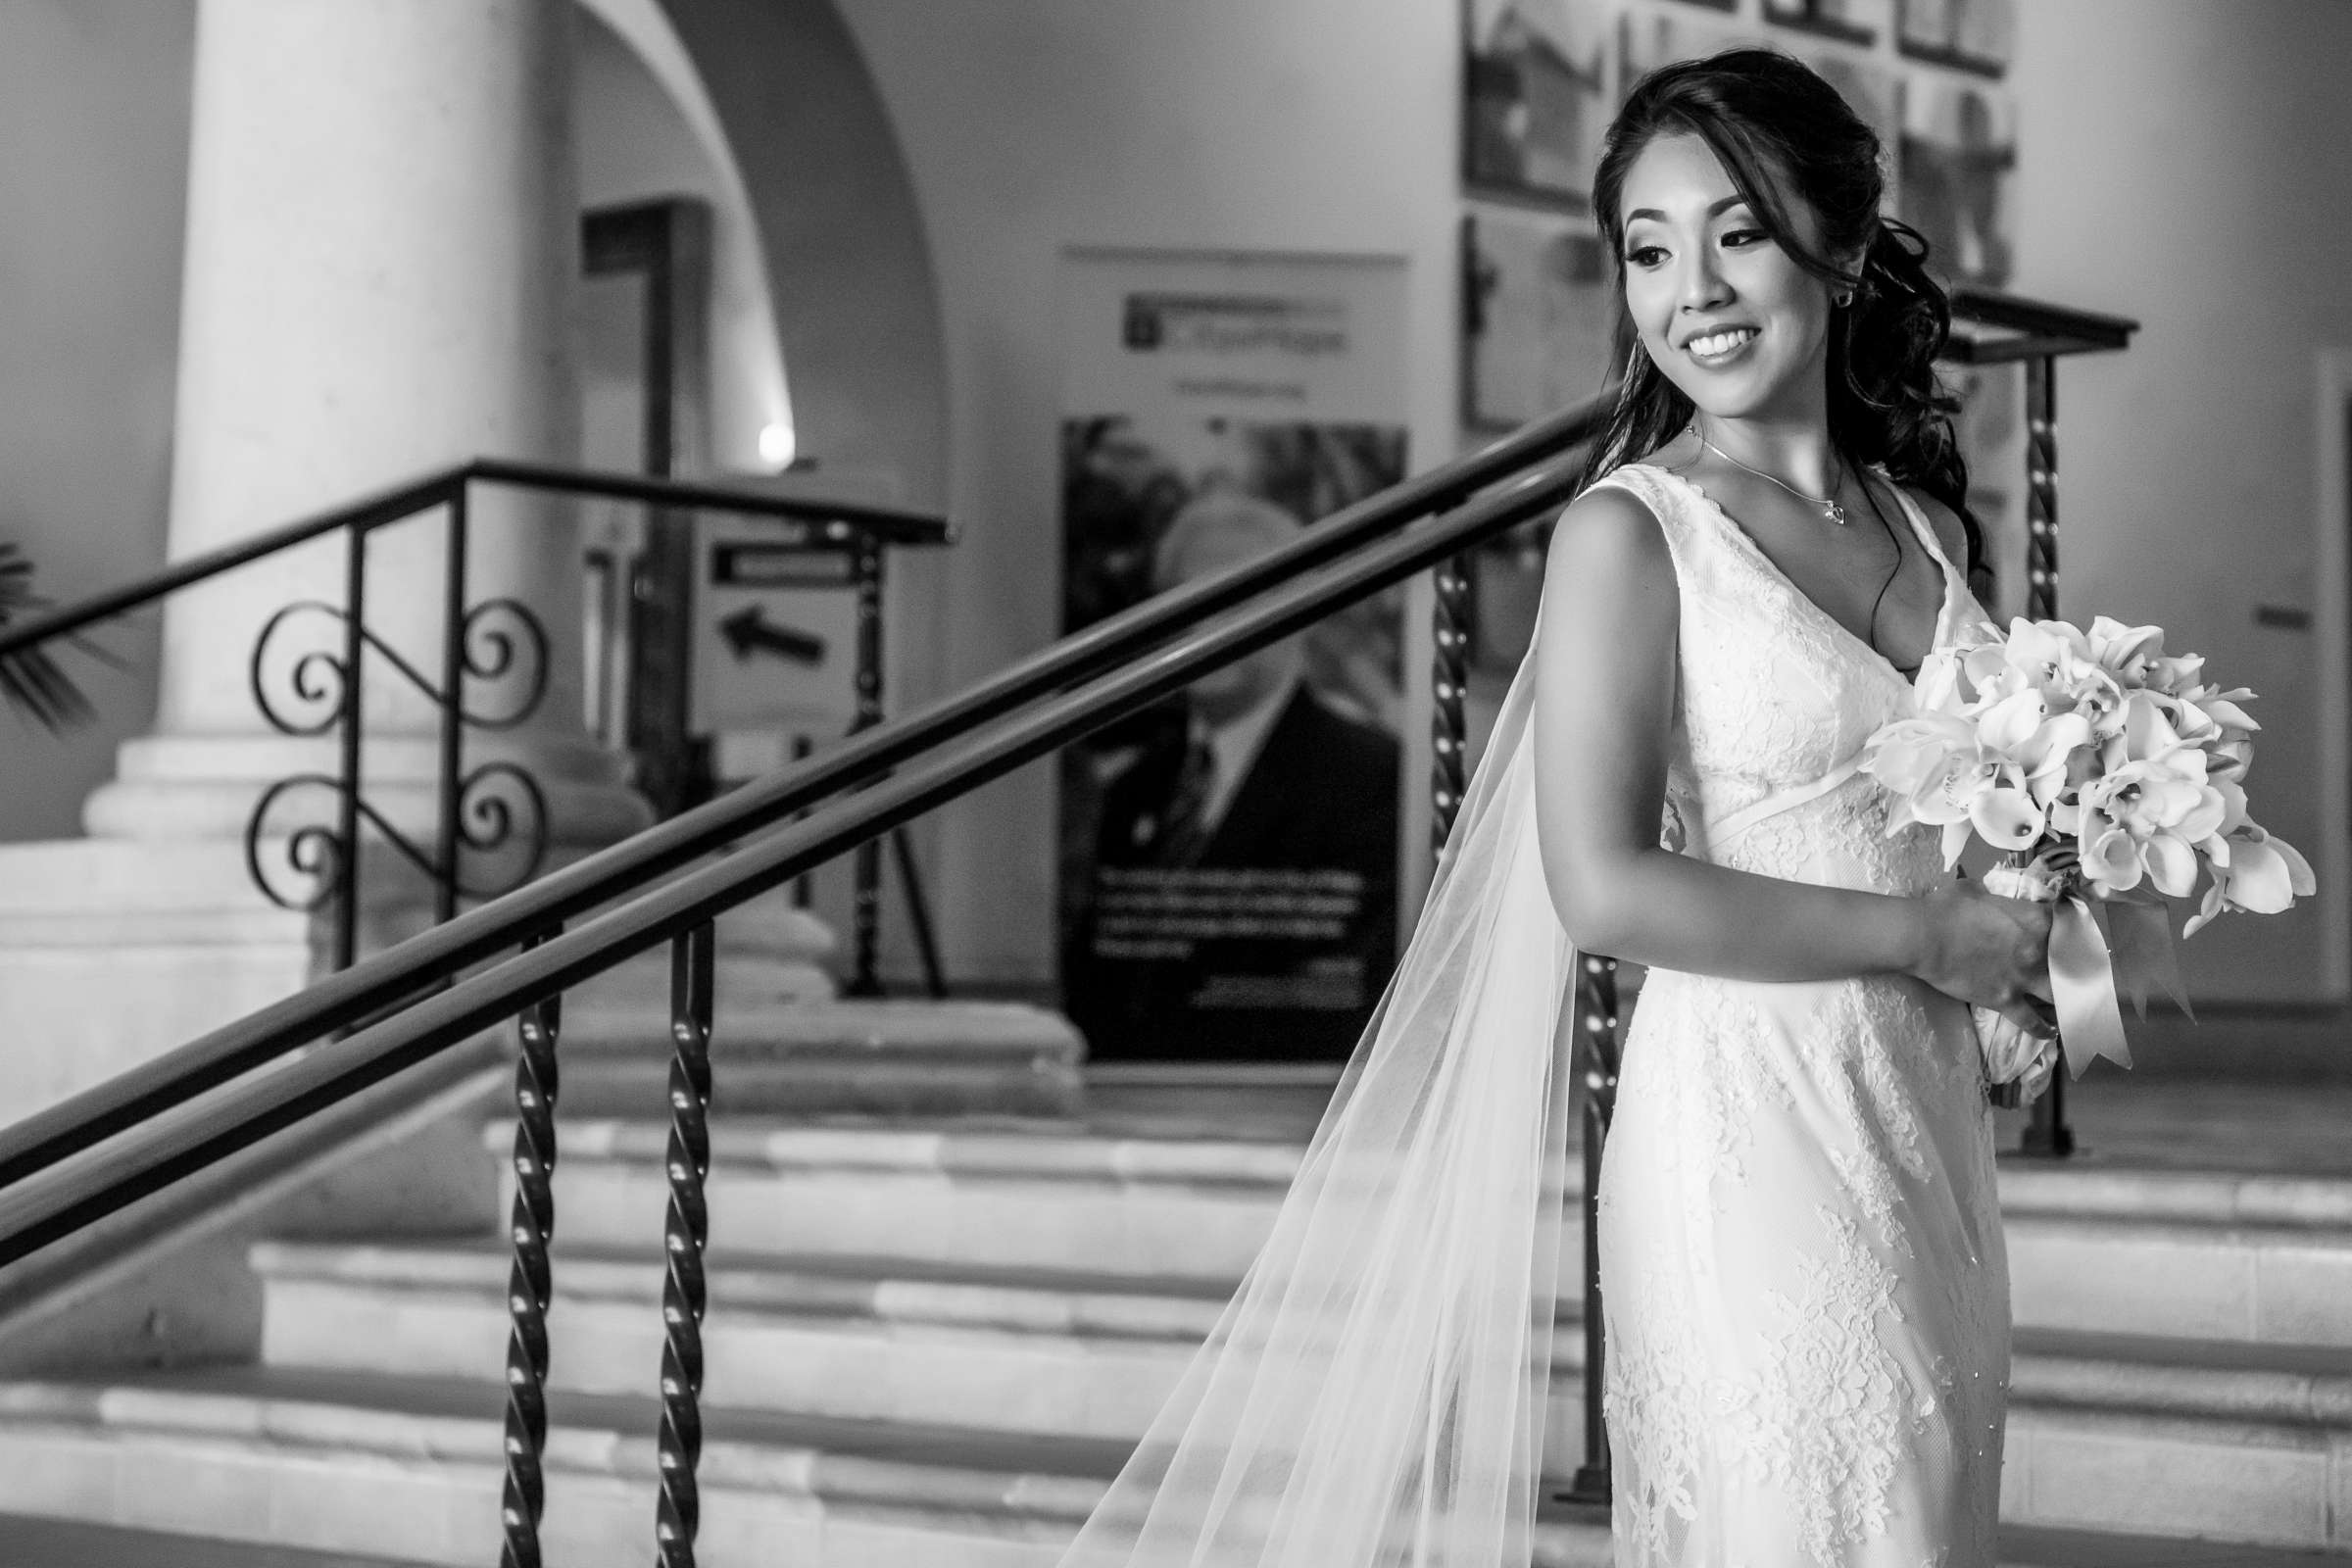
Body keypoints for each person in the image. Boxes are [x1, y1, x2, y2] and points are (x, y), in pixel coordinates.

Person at [1054, 49, 2054, 1568]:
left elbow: (1967, 810)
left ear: (1843, 250)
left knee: (1930, 1507)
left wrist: (2043, 915)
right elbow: (1602, 887)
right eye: (1649, 250)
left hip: (1921, 1107)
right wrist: (1929, 931)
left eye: (1736, 230)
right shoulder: (1631, 531)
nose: (1692, 288)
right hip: (1751, 1115)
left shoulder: (1917, 518)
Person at [1068, 489, 1401, 1060]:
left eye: (1234, 598)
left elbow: (1342, 988)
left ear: (1300, 611)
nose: (1206, 629)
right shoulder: (1132, 790)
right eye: (1186, 603)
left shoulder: (1368, 776)